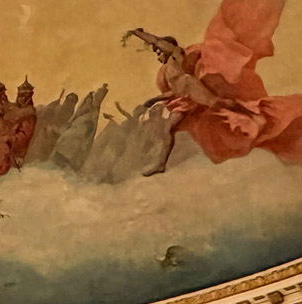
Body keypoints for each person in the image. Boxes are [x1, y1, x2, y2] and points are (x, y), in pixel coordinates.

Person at [126, 5, 302, 176]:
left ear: (168, 47)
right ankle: (161, 164)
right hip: (183, 99)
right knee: (169, 129)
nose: (158, 55)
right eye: (156, 53)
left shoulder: (176, 56)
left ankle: (252, 114)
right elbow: (175, 92)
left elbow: (158, 42)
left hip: (193, 90)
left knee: (219, 104)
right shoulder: (165, 71)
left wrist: (139, 34)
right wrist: (155, 100)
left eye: (159, 51)